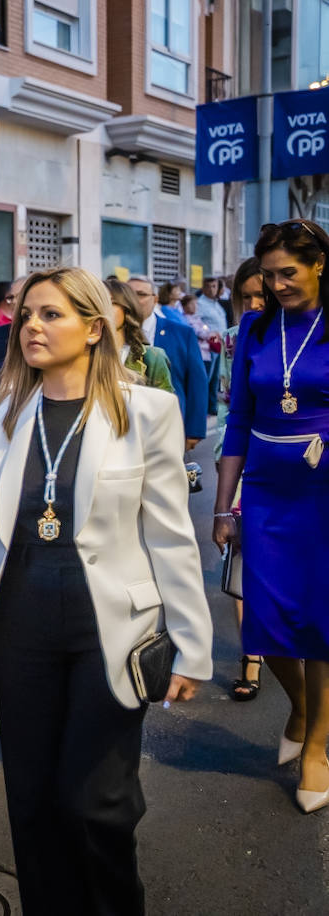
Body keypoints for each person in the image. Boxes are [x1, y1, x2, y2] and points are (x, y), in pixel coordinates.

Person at [0, 266, 212, 912]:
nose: (31, 326)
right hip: (21, 628)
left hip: (111, 631)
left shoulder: (147, 411)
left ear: (95, 328)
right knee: (33, 800)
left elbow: (171, 536)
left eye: (50, 314)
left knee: (96, 804)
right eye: (26, 314)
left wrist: (191, 644)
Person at [216, 219, 329, 813]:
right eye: (269, 274)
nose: (278, 283)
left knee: (322, 622)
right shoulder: (255, 329)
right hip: (263, 490)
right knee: (266, 617)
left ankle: (316, 746)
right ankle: (303, 707)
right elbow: (237, 420)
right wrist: (222, 503)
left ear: (319, 265)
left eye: (289, 271)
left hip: (324, 489)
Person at [215, 257, 266, 702]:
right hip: (242, 460)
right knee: (242, 557)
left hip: (300, 465)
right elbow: (229, 405)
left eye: (260, 295)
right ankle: (251, 655)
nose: (252, 304)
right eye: (244, 296)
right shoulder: (234, 340)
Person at [127, 275, 208, 448]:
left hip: (168, 427)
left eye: (141, 294)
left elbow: (197, 382)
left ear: (155, 299)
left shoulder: (181, 333)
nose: (133, 300)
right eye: (128, 294)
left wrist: (194, 430)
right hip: (126, 429)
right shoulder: (112, 334)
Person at [103, 280, 175, 392]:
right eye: (98, 303)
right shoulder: (85, 355)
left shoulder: (152, 358)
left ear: (128, 307)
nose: (104, 309)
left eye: (112, 302)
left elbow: (163, 406)